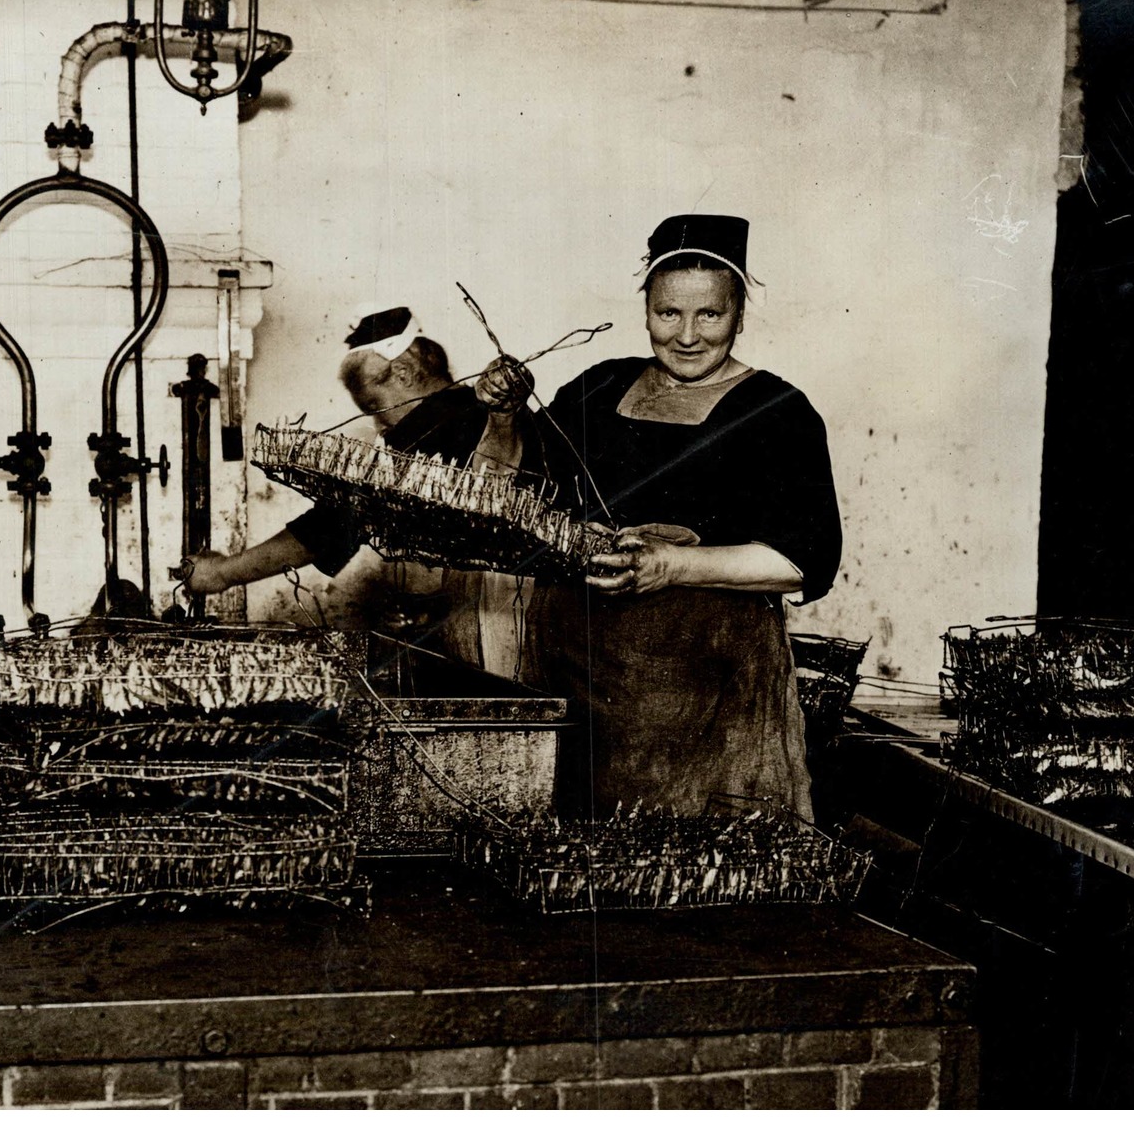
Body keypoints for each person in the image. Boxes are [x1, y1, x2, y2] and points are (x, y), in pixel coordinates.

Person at [476, 214, 842, 819]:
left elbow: (803, 560)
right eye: (669, 313)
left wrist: (669, 565)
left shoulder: (778, 412)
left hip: (707, 693)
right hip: (576, 674)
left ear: (740, 315)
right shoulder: (598, 388)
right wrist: (504, 416)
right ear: (647, 310)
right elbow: (510, 490)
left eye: (710, 315)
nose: (688, 336)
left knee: (693, 863)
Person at [184, 306, 534, 677]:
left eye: (374, 406)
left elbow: (331, 526)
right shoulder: (463, 416)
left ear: (403, 373)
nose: (378, 424)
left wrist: (223, 573)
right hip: (496, 621)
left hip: (512, 628)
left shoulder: (438, 424)